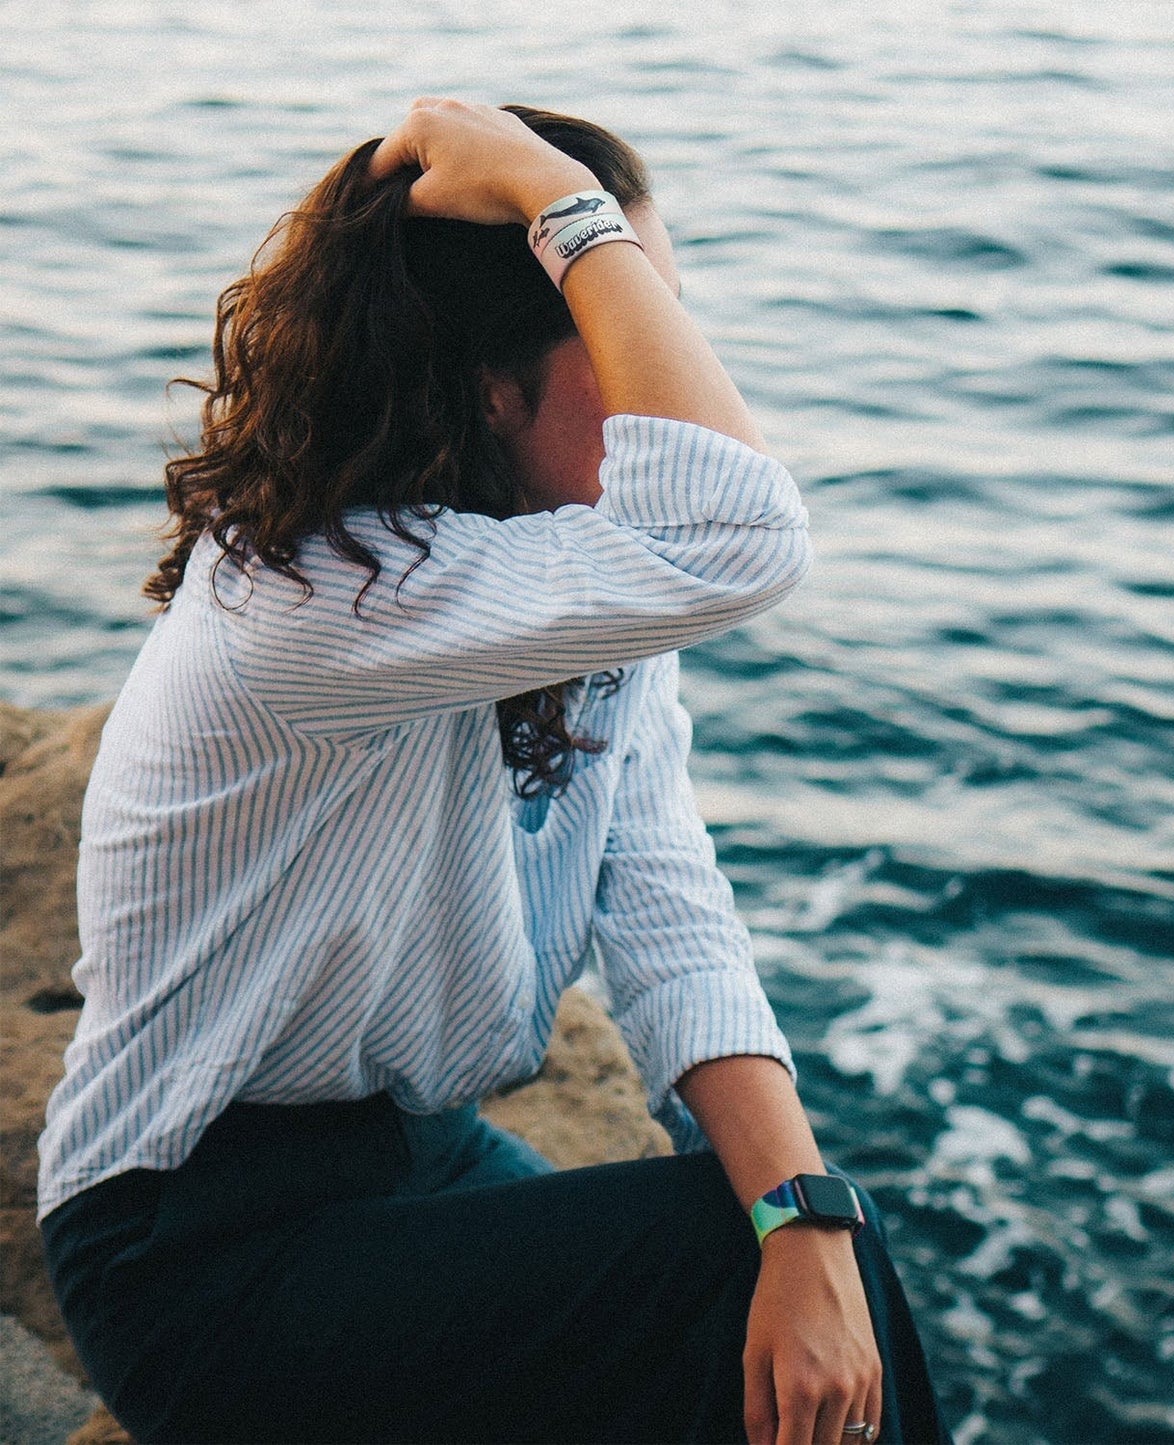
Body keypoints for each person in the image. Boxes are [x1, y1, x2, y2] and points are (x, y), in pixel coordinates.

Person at [36, 99, 947, 1445]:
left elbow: (663, 899)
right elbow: (742, 534)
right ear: (487, 387)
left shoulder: (575, 582)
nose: (671, 369)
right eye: (617, 312)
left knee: (797, 1259)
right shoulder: (311, 594)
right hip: (197, 1244)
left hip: (417, 1156)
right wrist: (548, 187)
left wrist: (795, 1208)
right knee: (747, 1279)